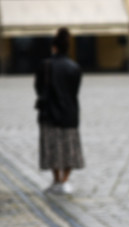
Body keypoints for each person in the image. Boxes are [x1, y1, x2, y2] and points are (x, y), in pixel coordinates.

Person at [35, 27, 84, 195]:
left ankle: (57, 180)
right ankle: (65, 181)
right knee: (70, 149)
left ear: (54, 47)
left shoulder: (45, 65)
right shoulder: (74, 67)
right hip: (70, 112)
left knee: (52, 148)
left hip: (49, 113)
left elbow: (39, 88)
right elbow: (75, 90)